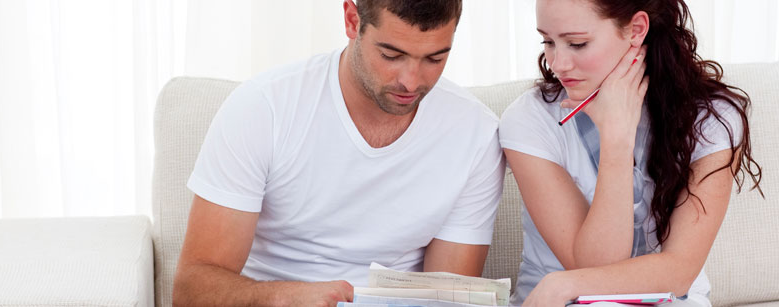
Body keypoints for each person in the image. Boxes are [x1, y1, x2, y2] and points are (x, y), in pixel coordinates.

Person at [172, 0, 506, 306]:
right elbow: (191, 289)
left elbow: (445, 297)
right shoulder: (264, 108)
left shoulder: (475, 133)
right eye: (391, 55)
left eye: (435, 58)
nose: (410, 81)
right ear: (351, 19)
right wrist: (281, 297)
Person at [499, 0, 763, 306]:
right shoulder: (529, 119)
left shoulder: (710, 118)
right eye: (548, 41)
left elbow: (679, 270)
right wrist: (616, 139)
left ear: (636, 30)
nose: (558, 64)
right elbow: (595, 266)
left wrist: (560, 284)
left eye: (577, 43)